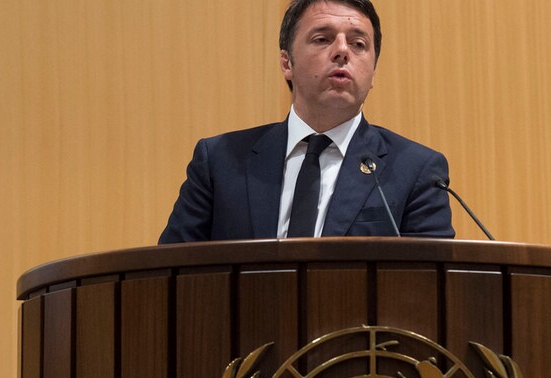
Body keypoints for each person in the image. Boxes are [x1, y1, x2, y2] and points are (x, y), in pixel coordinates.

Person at [158, 0, 454, 243]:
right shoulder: (220, 161)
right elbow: (169, 273)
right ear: (287, 62)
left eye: (359, 44)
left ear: (373, 72)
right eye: (322, 39)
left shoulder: (415, 170)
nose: (342, 51)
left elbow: (429, 283)